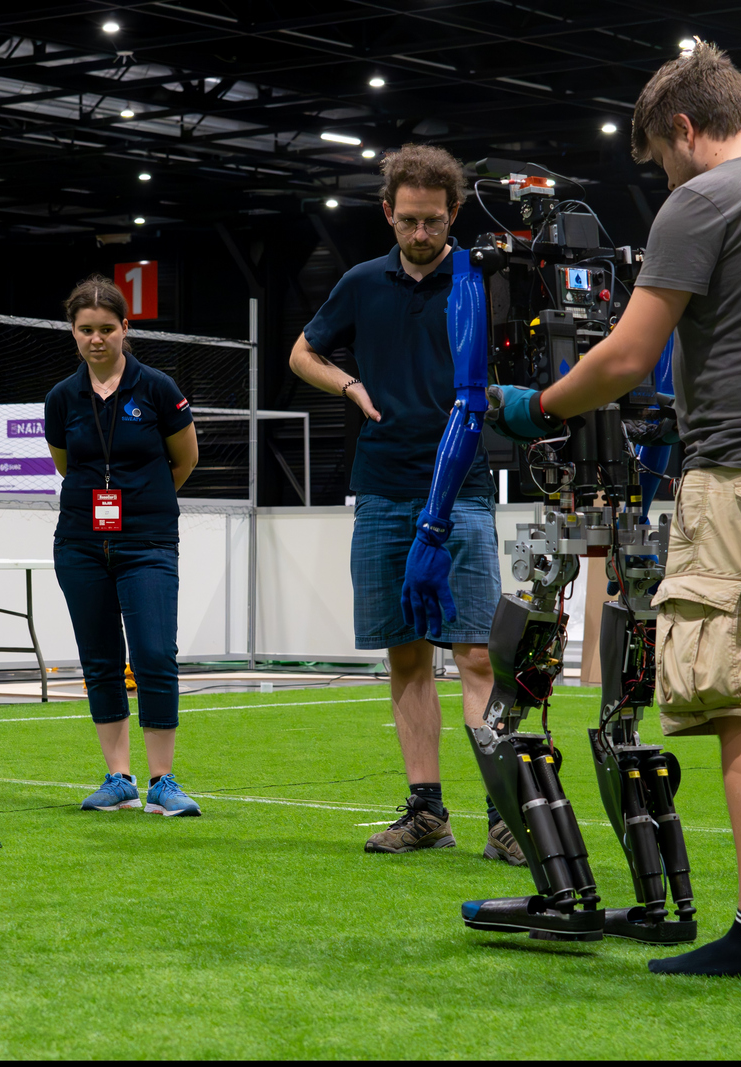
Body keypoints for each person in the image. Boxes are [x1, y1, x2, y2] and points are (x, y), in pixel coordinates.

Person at [487, 41, 741, 978]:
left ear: (686, 128)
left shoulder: (704, 200)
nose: (663, 181)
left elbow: (625, 359)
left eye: (660, 160)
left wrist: (537, 406)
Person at [289, 144, 520, 861]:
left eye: (434, 220)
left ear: (453, 214)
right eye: (409, 220)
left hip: (464, 492)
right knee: (406, 656)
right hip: (384, 487)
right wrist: (350, 387)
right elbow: (302, 352)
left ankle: (505, 815)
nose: (421, 233)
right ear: (388, 212)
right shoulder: (361, 282)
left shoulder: (478, 281)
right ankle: (427, 811)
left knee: (478, 654)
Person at [44, 274, 201, 816]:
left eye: (107, 329)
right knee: (99, 660)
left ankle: (163, 779)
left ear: (125, 328)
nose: (96, 339)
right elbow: (69, 465)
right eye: (86, 330)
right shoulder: (62, 397)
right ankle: (119, 778)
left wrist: (141, 502)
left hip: (149, 540)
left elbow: (186, 461)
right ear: (73, 332)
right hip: (80, 543)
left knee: (156, 654)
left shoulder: (157, 387)